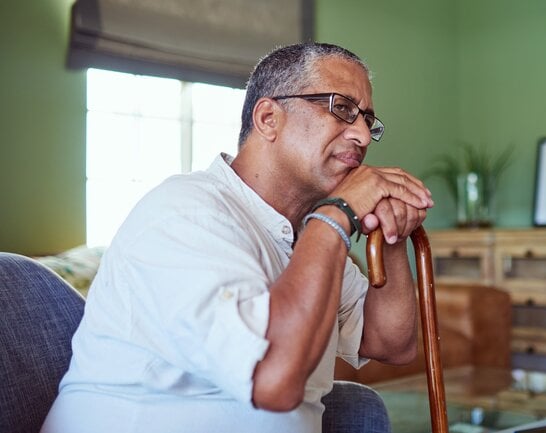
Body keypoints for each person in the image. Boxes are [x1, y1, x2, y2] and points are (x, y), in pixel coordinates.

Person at [42, 42, 433, 432]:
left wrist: (393, 234)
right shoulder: (186, 212)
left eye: (368, 120)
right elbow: (273, 381)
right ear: (268, 118)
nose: (363, 136)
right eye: (342, 109)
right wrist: (338, 214)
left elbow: (390, 344)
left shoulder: (300, 234)